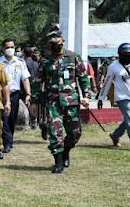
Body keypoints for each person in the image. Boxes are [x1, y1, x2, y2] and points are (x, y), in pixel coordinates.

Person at [30, 31, 91, 173]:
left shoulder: (74, 57)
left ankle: (66, 151)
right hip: (53, 102)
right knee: (54, 131)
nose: (54, 46)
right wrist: (34, 102)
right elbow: (38, 82)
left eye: (56, 44)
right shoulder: (46, 61)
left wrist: (86, 96)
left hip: (71, 101)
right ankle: (58, 161)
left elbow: (83, 77)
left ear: (62, 41)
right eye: (51, 44)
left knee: (76, 132)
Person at [98, 43, 130, 152]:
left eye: (129, 54)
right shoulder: (113, 66)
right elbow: (107, 82)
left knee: (129, 120)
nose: (127, 56)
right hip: (122, 97)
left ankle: (115, 135)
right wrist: (101, 98)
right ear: (119, 53)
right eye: (125, 54)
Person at [0, 38, 31, 153]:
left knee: (12, 118)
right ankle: (7, 143)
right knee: (4, 118)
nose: (10, 49)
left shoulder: (20, 62)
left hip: (15, 95)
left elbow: (25, 79)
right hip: (1, 95)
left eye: (12, 47)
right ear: (3, 49)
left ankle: (10, 139)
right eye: (7, 47)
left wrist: (28, 94)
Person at [22, 47, 39, 129]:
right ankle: (34, 121)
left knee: (26, 103)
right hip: (35, 86)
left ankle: (28, 121)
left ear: (24, 53)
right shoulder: (35, 63)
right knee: (33, 103)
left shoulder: (23, 63)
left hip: (26, 87)